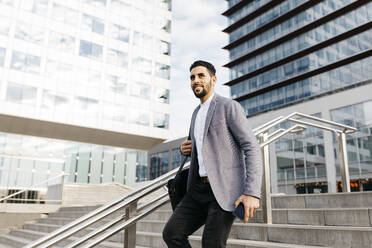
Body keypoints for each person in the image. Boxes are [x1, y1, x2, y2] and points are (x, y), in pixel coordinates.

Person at [162, 60, 263, 248]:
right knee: (172, 234)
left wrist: (252, 193)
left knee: (211, 244)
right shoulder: (195, 113)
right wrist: (186, 149)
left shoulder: (228, 106)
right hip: (197, 189)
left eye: (201, 75)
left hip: (224, 190)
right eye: (192, 77)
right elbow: (205, 149)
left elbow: (251, 147)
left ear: (213, 79)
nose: (196, 80)